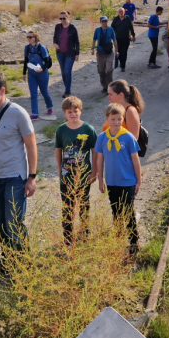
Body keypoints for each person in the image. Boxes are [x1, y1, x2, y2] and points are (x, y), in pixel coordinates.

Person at [0, 71, 37, 257]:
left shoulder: (18, 113)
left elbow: (31, 145)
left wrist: (32, 177)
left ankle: (23, 267)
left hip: (15, 177)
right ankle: (8, 261)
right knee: (0, 224)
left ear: (2, 90)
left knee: (14, 224)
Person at [93, 104, 141, 256]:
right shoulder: (101, 138)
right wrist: (100, 180)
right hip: (112, 181)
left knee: (128, 212)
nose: (116, 122)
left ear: (123, 119)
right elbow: (99, 160)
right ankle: (118, 238)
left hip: (128, 181)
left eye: (119, 119)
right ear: (107, 119)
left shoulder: (128, 137)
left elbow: (135, 160)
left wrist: (138, 180)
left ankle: (134, 242)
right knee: (116, 211)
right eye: (113, 119)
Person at [54, 97, 97, 247]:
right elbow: (58, 150)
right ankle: (68, 238)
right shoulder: (61, 130)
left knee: (84, 204)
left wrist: (95, 171)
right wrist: (60, 169)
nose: (73, 114)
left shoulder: (88, 129)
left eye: (75, 111)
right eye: (69, 112)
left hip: (84, 174)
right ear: (65, 113)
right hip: (66, 176)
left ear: (81, 110)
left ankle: (85, 232)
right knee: (67, 207)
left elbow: (95, 151)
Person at [22, 31, 54, 121]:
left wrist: (42, 69)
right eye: (27, 37)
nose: (28, 39)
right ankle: (34, 114)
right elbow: (26, 61)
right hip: (31, 74)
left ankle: (49, 107)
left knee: (44, 92)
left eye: (30, 37)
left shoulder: (41, 48)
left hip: (42, 74)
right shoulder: (27, 48)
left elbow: (47, 61)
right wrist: (24, 73)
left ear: (35, 38)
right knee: (33, 94)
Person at [53, 11, 81, 98]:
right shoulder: (58, 27)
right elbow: (55, 37)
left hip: (70, 53)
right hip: (60, 53)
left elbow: (77, 42)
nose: (62, 20)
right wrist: (54, 44)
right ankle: (67, 88)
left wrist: (77, 54)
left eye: (64, 18)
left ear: (68, 17)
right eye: (60, 18)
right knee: (63, 72)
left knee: (68, 71)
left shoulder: (72, 28)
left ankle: (67, 91)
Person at [91, 16, 118, 93]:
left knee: (109, 69)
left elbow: (114, 40)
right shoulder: (97, 30)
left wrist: (116, 51)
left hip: (109, 52)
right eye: (103, 21)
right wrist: (92, 49)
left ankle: (110, 86)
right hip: (100, 53)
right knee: (101, 70)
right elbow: (94, 39)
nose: (104, 23)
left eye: (105, 21)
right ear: (100, 22)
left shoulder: (110, 29)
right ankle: (104, 86)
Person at [111, 8, 136, 72]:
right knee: (118, 52)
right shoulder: (116, 19)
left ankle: (123, 66)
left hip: (126, 38)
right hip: (117, 39)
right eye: (119, 12)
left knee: (124, 52)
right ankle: (121, 61)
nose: (121, 13)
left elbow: (131, 27)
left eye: (122, 11)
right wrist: (111, 37)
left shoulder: (127, 18)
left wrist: (133, 35)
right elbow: (111, 28)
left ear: (124, 12)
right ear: (118, 13)